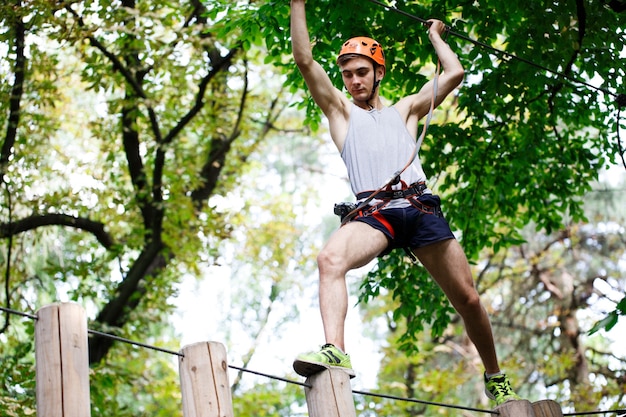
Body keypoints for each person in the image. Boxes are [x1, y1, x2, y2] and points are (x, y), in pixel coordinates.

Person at [289, 0, 521, 405]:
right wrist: (297, 3)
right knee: (329, 259)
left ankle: (496, 376)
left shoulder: (406, 109)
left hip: (418, 207)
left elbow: (455, 73)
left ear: (379, 72)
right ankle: (335, 351)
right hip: (374, 214)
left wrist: (436, 37)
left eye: (362, 71)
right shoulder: (341, 112)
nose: (354, 80)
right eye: (347, 74)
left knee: (467, 298)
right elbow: (305, 60)